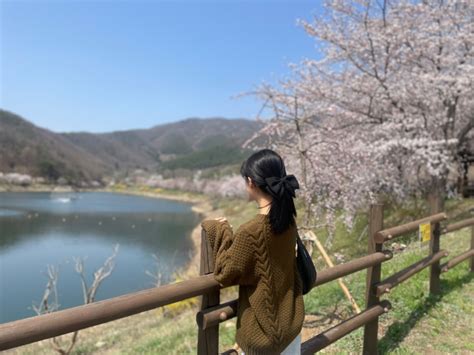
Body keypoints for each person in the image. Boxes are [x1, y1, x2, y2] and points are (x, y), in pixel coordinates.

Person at [201, 148, 305, 354]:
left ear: (251, 182)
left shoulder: (252, 231)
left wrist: (219, 230)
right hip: (291, 325)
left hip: (264, 336)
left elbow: (225, 272)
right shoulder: (288, 221)